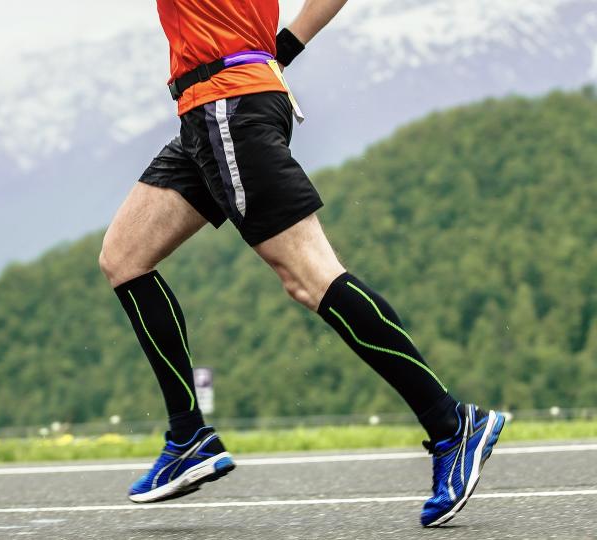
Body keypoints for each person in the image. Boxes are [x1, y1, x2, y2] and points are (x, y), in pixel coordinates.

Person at [98, 0, 506, 527]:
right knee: (124, 256)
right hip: (215, 108)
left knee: (311, 277)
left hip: (230, 107)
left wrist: (277, 50)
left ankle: (451, 424)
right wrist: (281, 49)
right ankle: (187, 436)